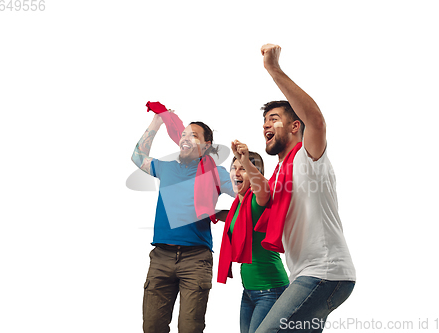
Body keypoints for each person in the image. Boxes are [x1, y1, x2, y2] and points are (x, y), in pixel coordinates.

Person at [255, 44, 356, 333]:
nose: (266, 125)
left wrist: (274, 70)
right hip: (304, 273)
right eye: (264, 121)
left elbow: (317, 120)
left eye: (274, 119)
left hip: (325, 272)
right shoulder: (277, 175)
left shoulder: (308, 156)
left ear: (295, 126)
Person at [131, 111, 235, 333]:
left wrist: (226, 214)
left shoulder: (216, 173)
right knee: (152, 327)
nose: (186, 137)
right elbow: (137, 157)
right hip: (161, 257)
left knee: (190, 328)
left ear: (206, 146)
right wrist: (156, 122)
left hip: (196, 260)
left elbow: (245, 195)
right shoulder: (165, 168)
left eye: (194, 135)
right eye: (184, 134)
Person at [217, 142, 290, 333]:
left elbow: (263, 189)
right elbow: (235, 221)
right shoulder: (238, 206)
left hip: (270, 290)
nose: (236, 173)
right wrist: (210, 213)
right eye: (234, 168)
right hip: (249, 292)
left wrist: (246, 159)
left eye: (243, 169)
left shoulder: (259, 201)